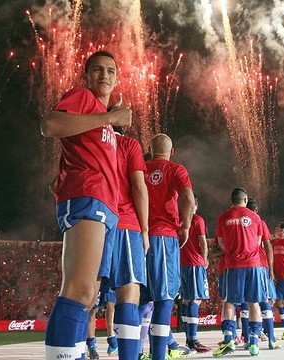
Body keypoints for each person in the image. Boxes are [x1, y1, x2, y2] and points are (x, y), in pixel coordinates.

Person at [41, 50, 132, 359]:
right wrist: (109, 117)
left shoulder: (102, 120)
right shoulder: (82, 97)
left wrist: (110, 121)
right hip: (87, 198)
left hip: (103, 205)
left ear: (117, 78)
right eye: (97, 69)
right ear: (87, 76)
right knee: (79, 290)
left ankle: (72, 353)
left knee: (89, 295)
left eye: (110, 70)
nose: (104, 75)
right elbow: (50, 124)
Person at [96, 125, 150, 359]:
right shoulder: (129, 144)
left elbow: (58, 185)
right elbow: (139, 186)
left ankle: (80, 350)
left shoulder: (91, 141)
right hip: (125, 223)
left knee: (84, 296)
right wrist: (145, 230)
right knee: (128, 295)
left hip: (94, 224)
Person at [144, 133, 195, 360]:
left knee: (141, 298)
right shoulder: (176, 169)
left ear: (150, 149)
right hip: (163, 236)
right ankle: (158, 356)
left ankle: (135, 353)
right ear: (171, 151)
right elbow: (188, 198)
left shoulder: (139, 169)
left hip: (139, 237)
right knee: (164, 298)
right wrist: (185, 226)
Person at [214, 187, 266, 357]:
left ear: (232, 201)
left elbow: (221, 242)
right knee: (253, 303)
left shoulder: (223, 217)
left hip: (233, 265)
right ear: (245, 200)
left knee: (229, 302)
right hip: (253, 265)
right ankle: (254, 342)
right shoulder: (255, 217)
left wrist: (232, 250)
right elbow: (258, 242)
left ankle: (229, 340)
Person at [246, 197, 281, 350]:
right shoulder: (260, 222)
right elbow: (268, 246)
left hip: (245, 266)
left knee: (250, 302)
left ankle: (250, 337)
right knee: (265, 300)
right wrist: (271, 269)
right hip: (261, 266)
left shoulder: (241, 221)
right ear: (257, 210)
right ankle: (271, 338)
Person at [179, 194, 212, 353]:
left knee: (186, 300)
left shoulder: (178, 219)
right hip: (194, 263)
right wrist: (205, 259)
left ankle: (188, 337)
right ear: (195, 205)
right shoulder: (197, 219)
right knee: (196, 298)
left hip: (182, 264)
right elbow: (203, 242)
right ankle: (192, 339)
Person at [87, 284, 118, 359]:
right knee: (93, 309)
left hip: (110, 275)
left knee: (111, 303)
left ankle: (112, 341)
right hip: (97, 277)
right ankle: (91, 345)